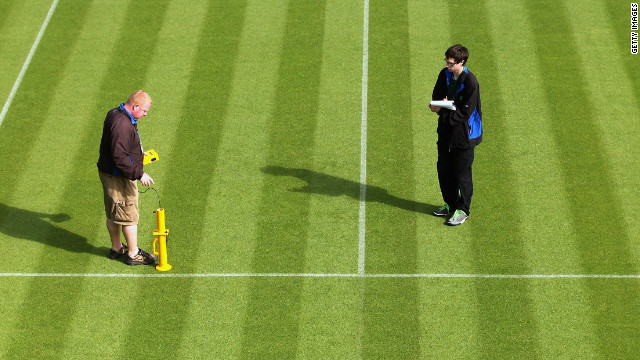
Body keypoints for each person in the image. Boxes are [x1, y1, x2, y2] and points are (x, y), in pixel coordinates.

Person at [97, 90, 158, 265]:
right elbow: (120, 157)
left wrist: (139, 154)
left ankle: (117, 248)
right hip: (119, 177)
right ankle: (133, 254)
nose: (145, 114)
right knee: (129, 215)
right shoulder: (122, 125)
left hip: (109, 173)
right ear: (135, 106)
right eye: (144, 111)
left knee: (114, 212)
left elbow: (121, 148)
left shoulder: (115, 113)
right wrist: (139, 174)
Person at [428, 44, 482, 226]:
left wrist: (443, 109)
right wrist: (436, 106)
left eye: (450, 63)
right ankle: (450, 204)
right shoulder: (444, 74)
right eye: (446, 61)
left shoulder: (471, 82)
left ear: (462, 62)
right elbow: (437, 95)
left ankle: (463, 209)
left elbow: (464, 113)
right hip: (446, 130)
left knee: (462, 173)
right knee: (443, 169)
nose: (447, 65)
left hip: (465, 134)